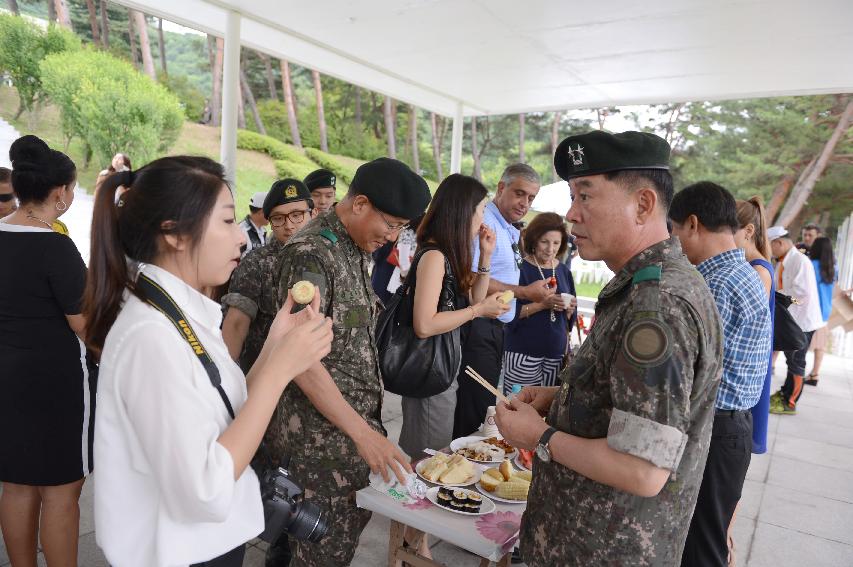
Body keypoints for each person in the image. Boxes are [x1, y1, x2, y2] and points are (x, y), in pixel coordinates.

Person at [84, 156, 333, 567]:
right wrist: (279, 372)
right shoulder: (150, 336)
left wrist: (276, 343)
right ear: (175, 234)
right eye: (227, 221)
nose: (240, 237)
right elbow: (206, 489)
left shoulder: (177, 314)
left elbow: (224, 410)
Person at [495, 130, 723, 566]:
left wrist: (538, 436)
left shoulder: (658, 304)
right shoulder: (646, 286)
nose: (571, 214)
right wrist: (561, 400)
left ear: (642, 204)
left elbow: (642, 469)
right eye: (571, 196)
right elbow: (634, 409)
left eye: (585, 196)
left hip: (605, 549)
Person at [259, 157, 430, 567]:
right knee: (318, 556)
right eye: (389, 225)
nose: (391, 237)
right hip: (319, 449)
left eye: (400, 229)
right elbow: (299, 359)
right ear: (360, 204)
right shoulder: (310, 255)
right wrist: (364, 435)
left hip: (349, 440)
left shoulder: (353, 247)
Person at [0, 135, 93, 567]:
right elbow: (85, 325)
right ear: (60, 192)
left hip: (7, 377)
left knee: (16, 485)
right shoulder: (55, 246)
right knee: (61, 491)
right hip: (53, 383)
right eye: (72, 189)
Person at [669, 182, 772, 567]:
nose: (674, 242)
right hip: (730, 429)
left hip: (716, 431)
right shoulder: (742, 273)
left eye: (674, 231)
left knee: (701, 547)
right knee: (707, 538)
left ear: (692, 225)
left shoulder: (715, 284)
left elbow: (689, 371)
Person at [398, 174, 509, 459]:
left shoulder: (449, 254)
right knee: (428, 457)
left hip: (443, 368)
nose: (484, 216)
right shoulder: (435, 256)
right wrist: (478, 312)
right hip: (429, 370)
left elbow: (474, 297)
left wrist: (485, 257)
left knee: (437, 451)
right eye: (481, 209)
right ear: (463, 212)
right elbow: (424, 325)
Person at [454, 163, 551, 438]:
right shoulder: (484, 220)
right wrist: (524, 292)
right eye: (520, 193)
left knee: (483, 404)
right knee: (473, 409)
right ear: (501, 188)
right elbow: (469, 276)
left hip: (495, 328)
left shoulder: (506, 226)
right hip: (478, 326)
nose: (525, 203)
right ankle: (460, 467)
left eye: (531, 198)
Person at [222, 179, 317, 373]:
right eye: (279, 218)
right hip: (269, 382)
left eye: (297, 215)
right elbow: (237, 324)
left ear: (313, 214)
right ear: (270, 223)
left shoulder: (331, 259)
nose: (289, 225)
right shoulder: (257, 262)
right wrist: (224, 378)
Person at [502, 212, 577, 396]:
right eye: (545, 242)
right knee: (517, 405)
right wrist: (542, 304)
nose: (550, 249)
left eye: (556, 243)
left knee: (545, 413)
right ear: (534, 240)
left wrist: (569, 309)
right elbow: (505, 312)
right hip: (522, 353)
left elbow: (568, 320)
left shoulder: (563, 270)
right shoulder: (518, 268)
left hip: (556, 355)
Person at [734, 197, 775, 454]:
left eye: (728, 230)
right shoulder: (751, 266)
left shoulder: (758, 271)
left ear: (748, 231)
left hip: (746, 373)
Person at [768, 226, 823, 415]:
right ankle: (785, 392)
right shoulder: (784, 260)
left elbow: (801, 294)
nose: (770, 250)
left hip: (803, 321)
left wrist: (777, 296)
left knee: (797, 361)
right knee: (791, 358)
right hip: (793, 319)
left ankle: (790, 402)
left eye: (771, 246)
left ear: (779, 243)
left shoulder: (799, 261)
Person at [805, 236, 837, 386]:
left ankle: (796, 373)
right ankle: (815, 374)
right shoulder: (833, 268)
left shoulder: (811, 265)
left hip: (812, 309)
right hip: (825, 310)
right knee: (821, 345)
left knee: (803, 343)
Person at [239, 191, 269, 258]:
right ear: (261, 212)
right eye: (270, 211)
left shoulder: (263, 231)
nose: (272, 215)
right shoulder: (242, 232)